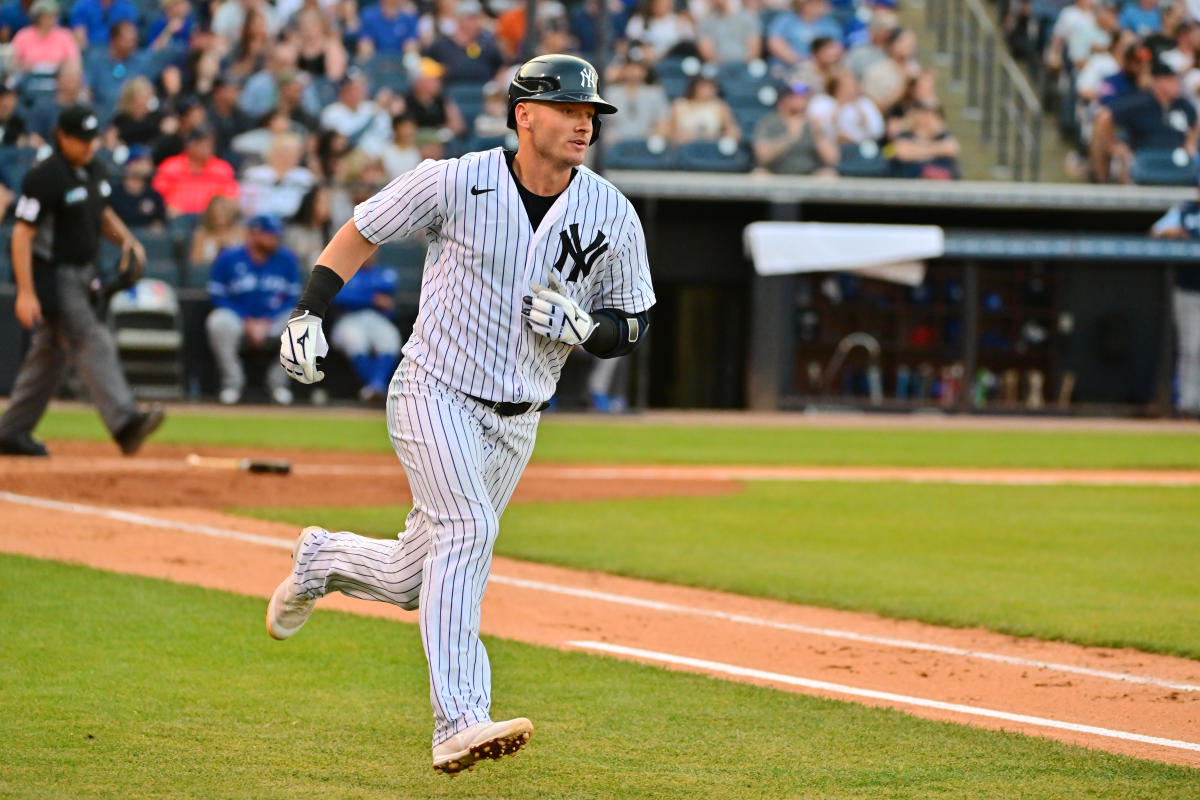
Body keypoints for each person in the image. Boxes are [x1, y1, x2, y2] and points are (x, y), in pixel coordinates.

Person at [268, 53, 655, 775]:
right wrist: (307, 313)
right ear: (524, 115)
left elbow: (631, 324)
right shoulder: (457, 179)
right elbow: (362, 229)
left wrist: (587, 330)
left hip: (520, 418)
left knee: (421, 578)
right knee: (469, 529)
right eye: (569, 109)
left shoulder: (611, 212)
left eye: (590, 113)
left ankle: (323, 560)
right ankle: (459, 720)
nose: (583, 122)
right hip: (433, 389)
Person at [0, 104, 163, 457]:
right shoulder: (45, 176)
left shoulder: (94, 171)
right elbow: (22, 235)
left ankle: (11, 432)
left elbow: (101, 213)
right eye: (80, 140)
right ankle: (125, 422)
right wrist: (25, 293)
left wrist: (127, 241)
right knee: (91, 338)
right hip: (55, 276)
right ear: (62, 137)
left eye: (91, 139)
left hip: (84, 274)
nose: (88, 146)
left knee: (49, 357)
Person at [206, 214, 301, 405]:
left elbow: (293, 298)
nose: (275, 239)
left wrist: (267, 321)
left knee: (301, 323)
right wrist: (246, 320)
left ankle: (278, 384)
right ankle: (232, 384)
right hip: (239, 321)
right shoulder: (229, 258)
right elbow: (218, 295)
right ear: (254, 235)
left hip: (273, 322)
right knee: (218, 321)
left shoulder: (287, 259)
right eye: (269, 235)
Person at [1149, 183, 1200, 416]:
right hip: (1188, 288)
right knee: (1191, 348)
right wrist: (1173, 232)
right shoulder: (1185, 211)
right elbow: (1156, 231)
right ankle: (1189, 405)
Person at [329, 258, 402, 404]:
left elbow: (390, 288)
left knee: (390, 339)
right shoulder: (344, 272)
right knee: (354, 340)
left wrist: (357, 293)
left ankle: (374, 387)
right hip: (348, 318)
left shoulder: (385, 272)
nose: (370, 255)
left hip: (377, 318)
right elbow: (338, 297)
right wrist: (372, 298)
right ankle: (377, 386)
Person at [152, 125, 239, 215]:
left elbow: (231, 196)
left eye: (210, 144)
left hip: (212, 220)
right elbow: (157, 195)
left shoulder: (222, 168)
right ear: (191, 144)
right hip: (177, 219)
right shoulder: (171, 166)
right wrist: (166, 208)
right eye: (203, 144)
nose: (208, 148)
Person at [12, 0, 80, 73]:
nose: (51, 20)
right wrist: (25, 66)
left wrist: (63, 67)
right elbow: (13, 61)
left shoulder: (64, 35)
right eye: (46, 16)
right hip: (28, 77)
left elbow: (73, 61)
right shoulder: (23, 35)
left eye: (53, 16)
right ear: (37, 17)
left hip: (58, 77)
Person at [109, 143, 167, 227]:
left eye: (149, 161)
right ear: (130, 164)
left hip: (145, 238)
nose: (148, 165)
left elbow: (159, 223)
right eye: (143, 161)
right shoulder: (114, 192)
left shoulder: (154, 195)